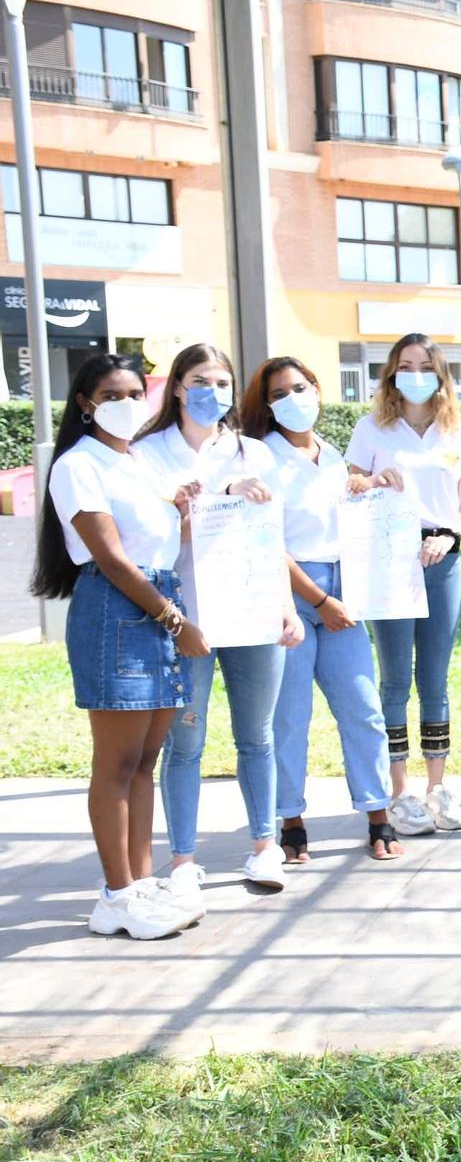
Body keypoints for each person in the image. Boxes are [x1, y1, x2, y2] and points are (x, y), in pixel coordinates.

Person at [31, 355, 206, 938]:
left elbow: (155, 548)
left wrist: (182, 512)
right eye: (112, 394)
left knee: (145, 763)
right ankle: (116, 897)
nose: (127, 402)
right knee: (117, 763)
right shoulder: (79, 465)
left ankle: (142, 882)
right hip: (119, 613)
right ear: (85, 402)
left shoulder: (135, 462)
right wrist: (178, 623)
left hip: (155, 607)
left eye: (136, 391)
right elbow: (110, 557)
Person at [132, 344, 303, 905]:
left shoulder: (255, 452)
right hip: (186, 619)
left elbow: (272, 537)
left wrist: (288, 604)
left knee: (257, 736)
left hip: (253, 613)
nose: (212, 392)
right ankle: (183, 860)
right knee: (185, 742)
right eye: (200, 381)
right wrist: (196, 508)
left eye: (223, 382)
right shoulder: (148, 454)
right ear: (177, 387)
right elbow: (147, 539)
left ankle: (264, 846)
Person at [240, 357, 404, 863]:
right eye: (280, 392)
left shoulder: (331, 455)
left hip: (342, 592)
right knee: (289, 717)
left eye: (302, 387)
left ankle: (378, 813)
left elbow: (345, 524)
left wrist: (373, 488)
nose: (295, 398)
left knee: (363, 708)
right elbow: (267, 542)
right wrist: (319, 600)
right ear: (267, 404)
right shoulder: (258, 457)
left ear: (317, 388)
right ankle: (290, 820)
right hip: (290, 596)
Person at [344, 332, 461, 836]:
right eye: (406, 365)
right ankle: (399, 792)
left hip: (440, 559)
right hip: (388, 559)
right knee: (395, 677)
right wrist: (372, 483)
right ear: (392, 374)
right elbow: (349, 485)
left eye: (426, 365)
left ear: (441, 375)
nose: (416, 374)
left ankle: (437, 788)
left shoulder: (457, 432)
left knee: (435, 679)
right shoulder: (373, 429)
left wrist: (448, 535)